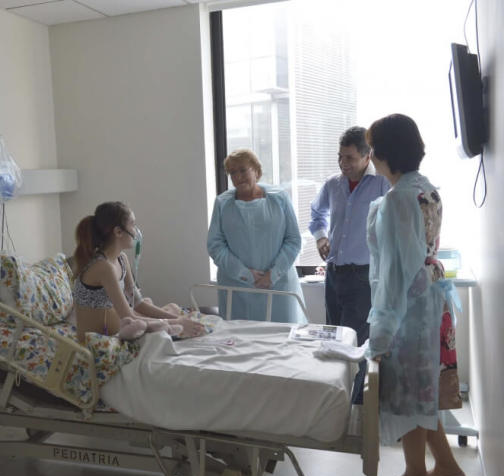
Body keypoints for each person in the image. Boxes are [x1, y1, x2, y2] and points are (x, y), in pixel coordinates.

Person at [365, 114, 466, 476]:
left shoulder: (397, 199)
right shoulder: (428, 189)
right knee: (423, 392)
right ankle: (445, 467)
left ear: (386, 152)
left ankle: (414, 475)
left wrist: (381, 332)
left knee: (408, 394)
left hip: (408, 308)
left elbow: (395, 272)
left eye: (374, 148)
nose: (372, 156)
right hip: (429, 301)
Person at [309, 127, 390, 403]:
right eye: (340, 157)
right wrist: (320, 239)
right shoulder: (333, 184)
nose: (344, 164)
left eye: (350, 158)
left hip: (363, 276)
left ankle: (357, 407)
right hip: (333, 275)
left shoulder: (382, 184)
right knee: (333, 339)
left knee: (355, 344)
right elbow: (316, 213)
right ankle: (336, 402)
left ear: (367, 156)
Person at [72, 201, 205, 340]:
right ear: (118, 232)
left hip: (119, 325)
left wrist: (179, 318)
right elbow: (128, 317)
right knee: (154, 322)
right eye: (133, 225)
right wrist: (177, 322)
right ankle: (171, 326)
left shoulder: (121, 259)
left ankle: (173, 322)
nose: (136, 231)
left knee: (172, 309)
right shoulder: (103, 267)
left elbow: (138, 303)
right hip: (98, 341)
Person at [207, 149, 305, 323]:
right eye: (233, 173)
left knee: (280, 339)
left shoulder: (279, 199)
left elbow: (293, 240)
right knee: (239, 340)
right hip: (236, 287)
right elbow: (215, 245)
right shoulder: (223, 203)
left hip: (278, 285)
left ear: (256, 171)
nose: (238, 176)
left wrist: (272, 274)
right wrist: (243, 273)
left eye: (243, 170)